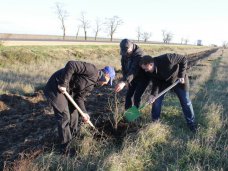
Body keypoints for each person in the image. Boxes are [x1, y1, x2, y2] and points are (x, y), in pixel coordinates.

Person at [44, 60, 115, 154]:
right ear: (106, 75)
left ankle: (74, 138)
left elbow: (79, 98)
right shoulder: (92, 70)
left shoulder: (92, 85)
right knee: (64, 116)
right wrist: (63, 83)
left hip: (67, 90)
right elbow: (71, 64)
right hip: (56, 86)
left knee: (74, 114)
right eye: (108, 81)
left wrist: (84, 113)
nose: (105, 84)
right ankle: (66, 147)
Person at [139, 54, 197, 132]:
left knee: (185, 101)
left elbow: (183, 59)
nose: (145, 71)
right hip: (164, 83)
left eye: (146, 68)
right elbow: (155, 83)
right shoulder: (150, 71)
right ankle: (155, 123)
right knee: (156, 101)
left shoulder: (167, 59)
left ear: (151, 64)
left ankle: (191, 124)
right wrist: (153, 95)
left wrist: (181, 75)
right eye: (144, 69)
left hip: (178, 80)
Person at [115, 39, 149, 109]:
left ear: (131, 47)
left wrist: (124, 82)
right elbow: (124, 68)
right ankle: (127, 115)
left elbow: (134, 70)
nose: (125, 54)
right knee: (128, 96)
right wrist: (125, 80)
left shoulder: (139, 55)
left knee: (137, 97)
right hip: (131, 78)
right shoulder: (125, 53)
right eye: (124, 52)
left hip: (142, 78)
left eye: (126, 52)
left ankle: (135, 117)